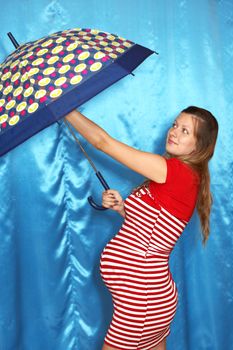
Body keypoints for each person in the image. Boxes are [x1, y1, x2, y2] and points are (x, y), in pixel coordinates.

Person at [65, 106, 218, 350]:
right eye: (175, 125)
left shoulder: (176, 173)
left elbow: (102, 142)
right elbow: (153, 230)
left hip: (141, 302)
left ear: (198, 147)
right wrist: (121, 207)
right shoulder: (179, 176)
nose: (174, 132)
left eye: (185, 131)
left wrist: (63, 109)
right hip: (150, 298)